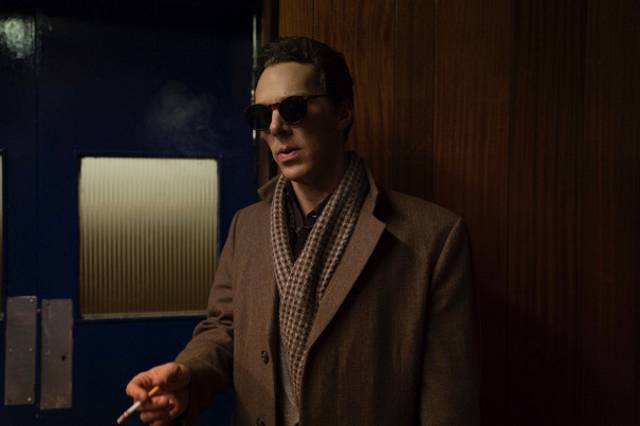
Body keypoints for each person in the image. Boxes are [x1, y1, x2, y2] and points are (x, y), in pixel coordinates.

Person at [126, 36, 479, 426]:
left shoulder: (432, 238)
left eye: (293, 109)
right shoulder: (248, 226)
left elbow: (448, 403)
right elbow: (226, 330)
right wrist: (188, 376)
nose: (276, 128)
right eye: (262, 115)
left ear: (342, 112)